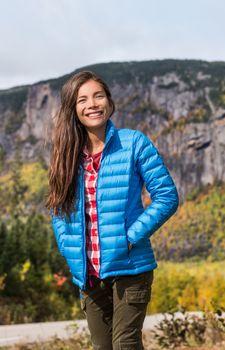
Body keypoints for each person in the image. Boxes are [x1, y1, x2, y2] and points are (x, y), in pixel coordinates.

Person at [46, 70, 179, 349]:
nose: (92, 104)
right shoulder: (66, 152)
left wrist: (130, 238)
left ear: (109, 101)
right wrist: (68, 249)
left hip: (130, 268)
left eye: (98, 96)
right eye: (83, 99)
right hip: (89, 274)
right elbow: (58, 208)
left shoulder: (134, 143)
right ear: (73, 108)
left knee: (125, 345)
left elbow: (167, 196)